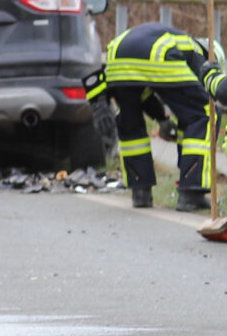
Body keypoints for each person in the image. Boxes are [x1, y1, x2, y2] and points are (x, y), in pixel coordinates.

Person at [87, 22, 225, 210]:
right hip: (157, 55)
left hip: (117, 57)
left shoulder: (172, 38)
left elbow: (144, 94)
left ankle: (140, 191)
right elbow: (196, 99)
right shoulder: (200, 53)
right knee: (205, 113)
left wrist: (162, 119)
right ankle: (192, 192)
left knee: (130, 119)